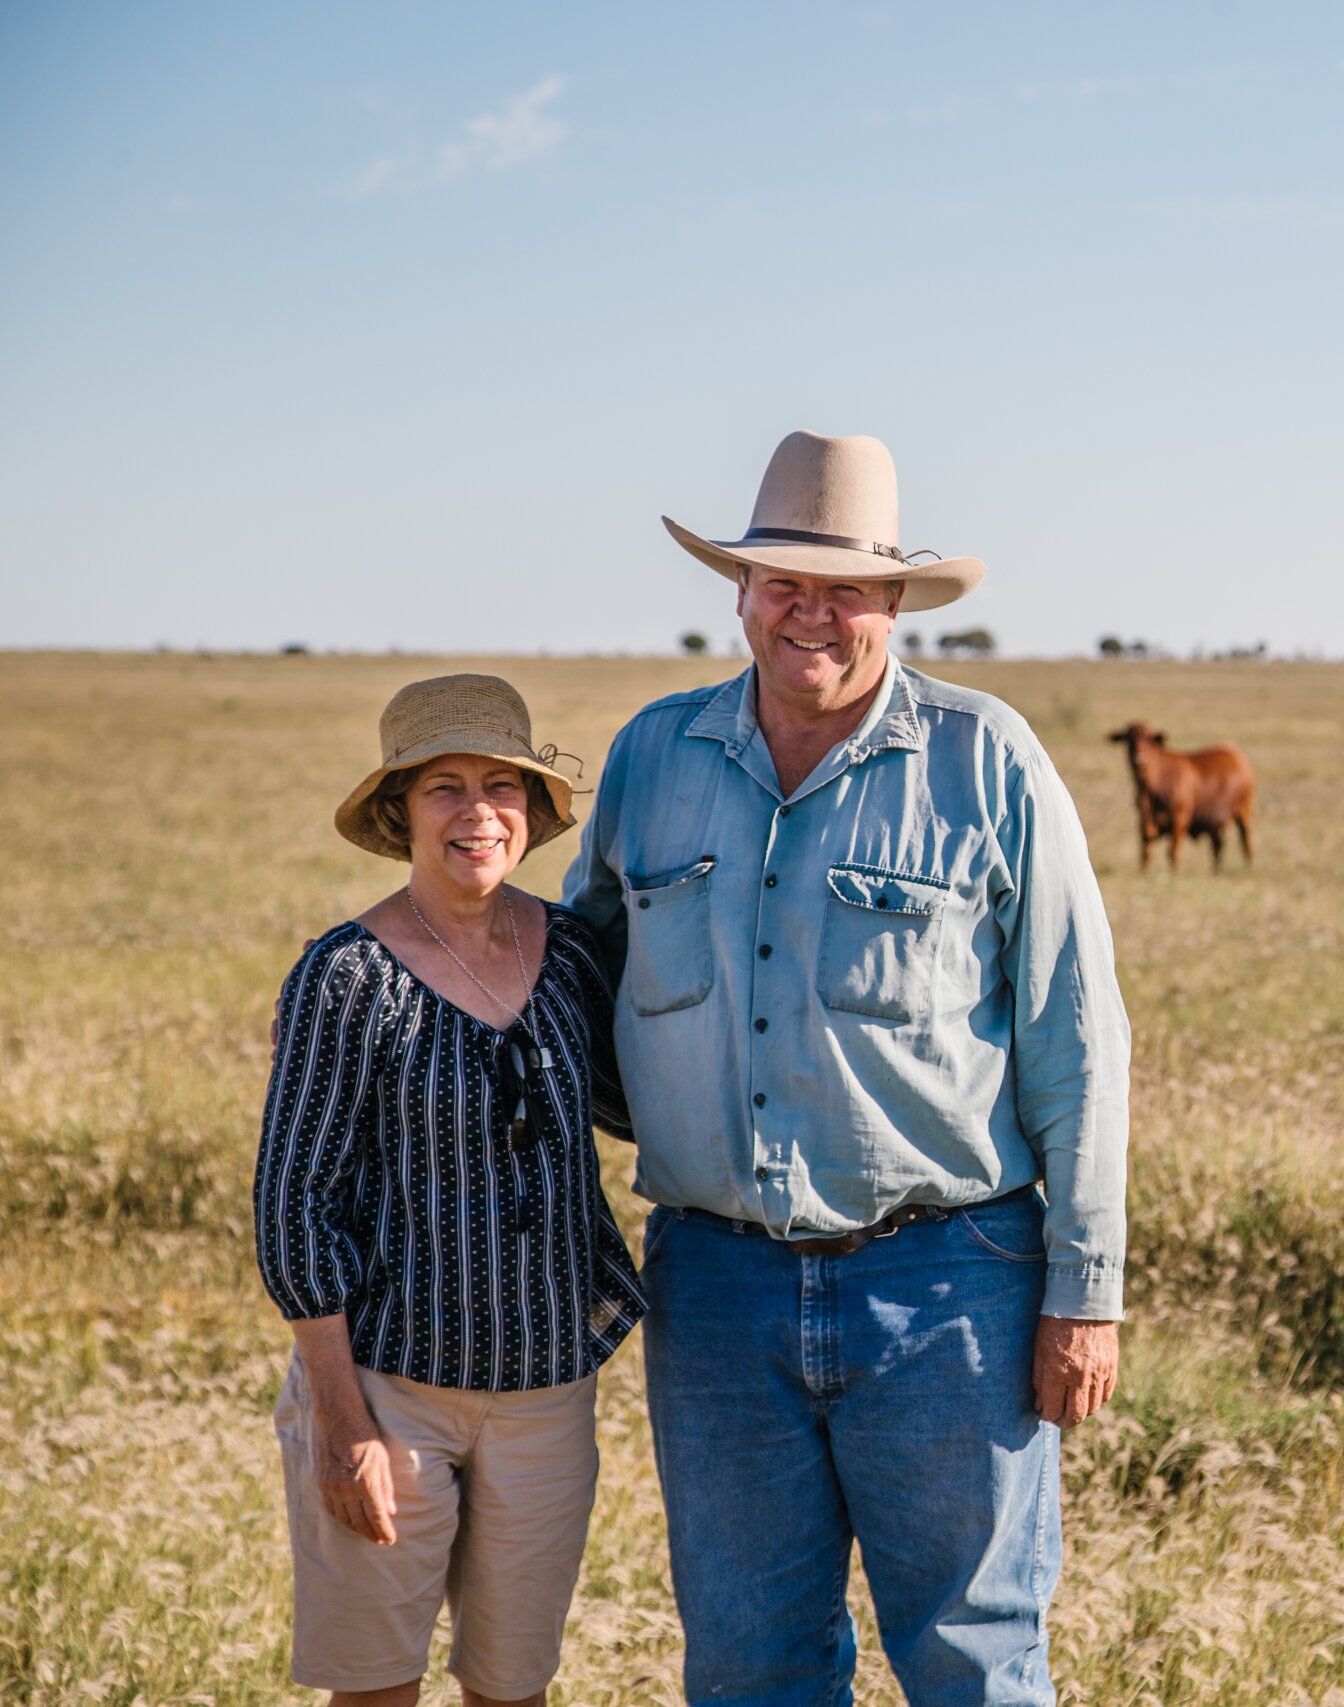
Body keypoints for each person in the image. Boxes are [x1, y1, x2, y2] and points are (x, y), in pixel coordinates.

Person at [564, 430, 1130, 1705]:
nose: (810, 613)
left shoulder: (985, 762)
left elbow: (1075, 1036)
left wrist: (1083, 1292)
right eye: (784, 583)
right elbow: (573, 982)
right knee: (750, 1665)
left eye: (845, 590)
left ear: (894, 604)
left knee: (975, 1661)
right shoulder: (654, 756)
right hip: (713, 1286)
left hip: (950, 1286)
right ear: (741, 592)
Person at [255, 675, 644, 1707]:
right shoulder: (348, 976)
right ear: (400, 811)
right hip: (390, 1388)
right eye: (443, 787)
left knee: (512, 1687)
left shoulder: (570, 954)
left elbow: (638, 1103)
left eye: (499, 786)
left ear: (529, 810)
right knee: (378, 1687)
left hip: (549, 1389)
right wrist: (342, 1422)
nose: (477, 812)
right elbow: (296, 1206)